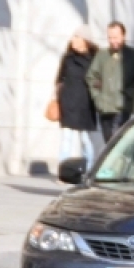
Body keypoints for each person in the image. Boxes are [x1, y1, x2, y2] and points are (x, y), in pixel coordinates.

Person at [86, 21, 134, 142]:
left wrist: (128, 93)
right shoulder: (102, 55)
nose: (113, 41)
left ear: (123, 36)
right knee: (108, 142)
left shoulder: (133, 55)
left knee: (116, 142)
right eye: (110, 37)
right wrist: (97, 97)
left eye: (116, 37)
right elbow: (91, 77)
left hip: (122, 108)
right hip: (104, 108)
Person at [55, 26, 97, 167]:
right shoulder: (67, 58)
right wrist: (59, 97)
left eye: (76, 36)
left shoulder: (95, 58)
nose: (73, 39)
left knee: (85, 140)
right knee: (66, 139)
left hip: (86, 105)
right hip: (68, 103)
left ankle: (89, 170)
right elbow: (59, 79)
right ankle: (63, 172)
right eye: (74, 36)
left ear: (85, 40)